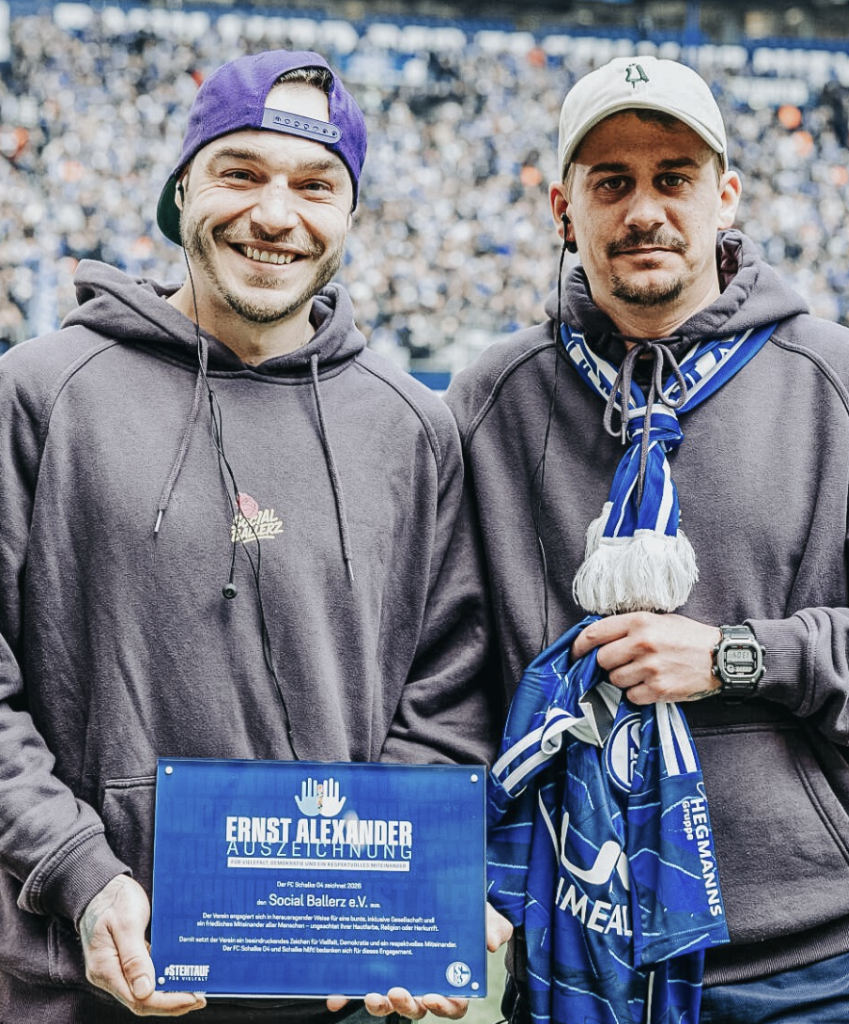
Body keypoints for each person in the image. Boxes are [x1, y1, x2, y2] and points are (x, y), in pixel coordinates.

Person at [0, 50, 503, 1023]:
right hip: (82, 978)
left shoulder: (413, 427)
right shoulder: (39, 393)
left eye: (316, 185)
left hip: (331, 994)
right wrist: (74, 866)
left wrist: (390, 893)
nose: (276, 215)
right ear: (182, 184)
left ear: (349, 218)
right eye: (242, 173)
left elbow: (449, 686)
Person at [446, 54, 849, 1024]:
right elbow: (447, 671)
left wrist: (735, 655)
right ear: (563, 209)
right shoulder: (490, 403)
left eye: (673, 178)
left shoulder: (837, 381)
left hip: (805, 957)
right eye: (611, 183)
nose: (644, 210)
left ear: (726, 196)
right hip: (570, 946)